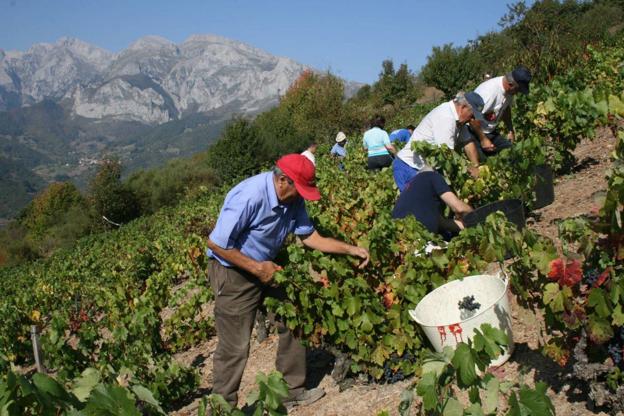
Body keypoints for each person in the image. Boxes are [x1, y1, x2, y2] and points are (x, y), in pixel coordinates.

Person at [205, 154, 370, 409]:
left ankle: (291, 390)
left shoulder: (293, 199)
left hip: (268, 265)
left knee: (294, 317)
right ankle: (222, 408)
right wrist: (257, 268)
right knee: (235, 345)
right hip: (233, 270)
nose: (301, 196)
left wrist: (351, 250)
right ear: (283, 180)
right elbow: (216, 243)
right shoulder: (250, 196)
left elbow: (310, 237)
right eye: (299, 190)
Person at [393, 91, 485, 192]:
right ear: (463, 108)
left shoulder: (459, 121)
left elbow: (468, 142)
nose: (472, 120)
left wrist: (476, 167)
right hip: (409, 167)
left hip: (423, 169)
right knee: (418, 204)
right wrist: (470, 169)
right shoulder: (446, 117)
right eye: (472, 116)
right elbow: (447, 153)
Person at [462, 66, 532, 158]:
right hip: (473, 131)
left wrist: (510, 130)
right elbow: (471, 117)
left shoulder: (510, 91)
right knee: (483, 165)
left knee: (512, 154)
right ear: (510, 84)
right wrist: (483, 139)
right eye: (518, 90)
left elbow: (506, 109)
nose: (517, 93)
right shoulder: (489, 93)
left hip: (489, 131)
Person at [392, 170, 472, 238]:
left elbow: (443, 223)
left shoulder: (413, 191)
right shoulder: (432, 176)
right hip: (421, 234)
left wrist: (467, 225)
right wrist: (475, 214)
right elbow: (458, 207)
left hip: (399, 236)